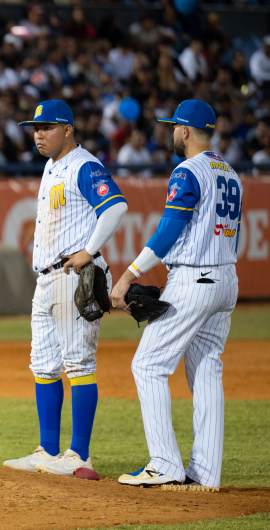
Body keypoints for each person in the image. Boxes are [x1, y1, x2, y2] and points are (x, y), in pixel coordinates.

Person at [112, 100, 241, 489]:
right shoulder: (230, 172)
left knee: (148, 365)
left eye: (173, 127)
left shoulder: (188, 170)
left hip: (194, 280)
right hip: (225, 280)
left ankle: (165, 464)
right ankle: (205, 474)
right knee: (206, 371)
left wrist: (128, 275)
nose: (170, 133)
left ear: (185, 131)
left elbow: (169, 230)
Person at [3, 100, 128, 476]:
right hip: (46, 278)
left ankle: (79, 456)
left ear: (68, 130)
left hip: (72, 276)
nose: (39, 134)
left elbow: (116, 207)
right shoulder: (51, 166)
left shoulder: (83, 165)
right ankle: (48, 451)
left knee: (78, 363)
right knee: (44, 365)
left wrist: (89, 252)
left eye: (48, 127)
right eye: (35, 128)